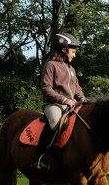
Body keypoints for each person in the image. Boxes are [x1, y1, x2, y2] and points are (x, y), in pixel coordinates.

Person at [37, 33, 86, 169]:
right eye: (73, 52)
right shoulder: (51, 65)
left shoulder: (71, 69)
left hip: (71, 105)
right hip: (54, 104)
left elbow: (77, 89)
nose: (74, 55)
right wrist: (64, 99)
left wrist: (83, 99)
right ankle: (42, 157)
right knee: (57, 124)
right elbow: (46, 88)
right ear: (64, 50)